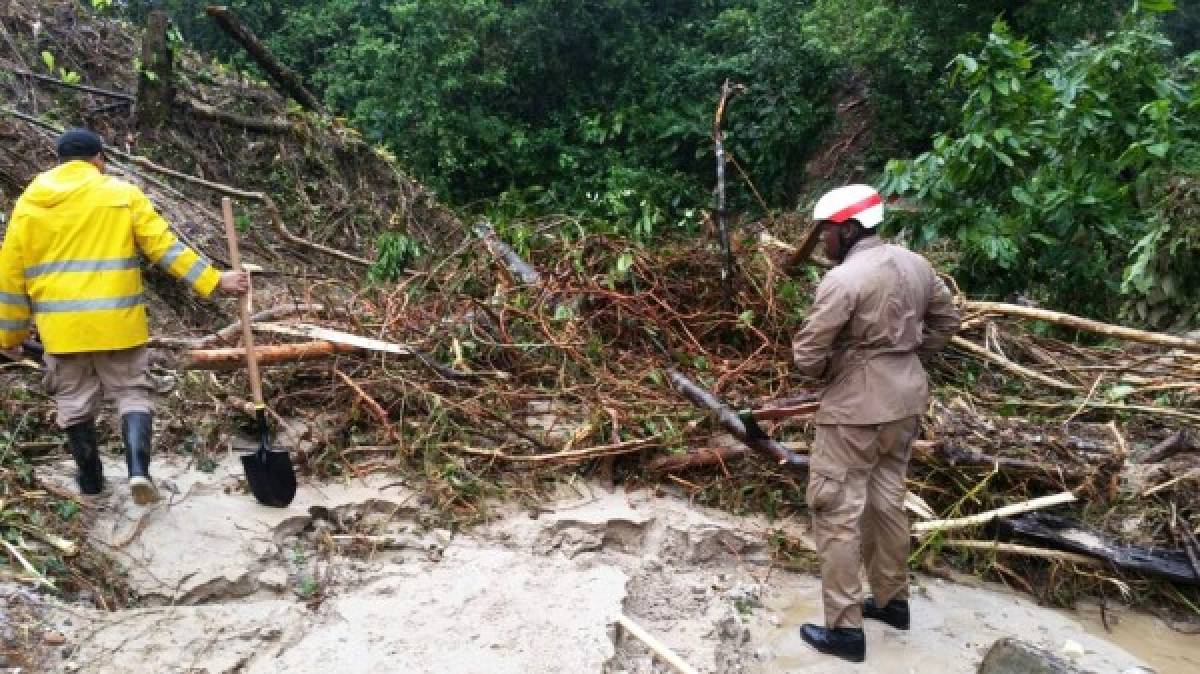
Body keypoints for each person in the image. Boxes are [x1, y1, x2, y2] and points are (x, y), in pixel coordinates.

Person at [0, 128, 249, 504]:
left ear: (59, 161)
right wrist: (216, 281)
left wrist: (10, 335)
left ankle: (91, 482)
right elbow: (165, 248)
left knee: (73, 401)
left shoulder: (29, 205)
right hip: (120, 326)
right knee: (133, 393)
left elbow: (10, 276)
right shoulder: (121, 194)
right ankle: (137, 472)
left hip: (63, 332)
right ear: (98, 159)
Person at [791, 184, 960, 662]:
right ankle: (891, 604)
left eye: (825, 231)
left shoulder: (844, 280)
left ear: (848, 228)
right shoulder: (918, 265)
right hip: (906, 401)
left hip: (854, 410)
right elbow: (947, 323)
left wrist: (841, 370)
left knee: (835, 509)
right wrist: (904, 356)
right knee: (887, 503)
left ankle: (844, 631)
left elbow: (807, 354)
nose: (822, 241)